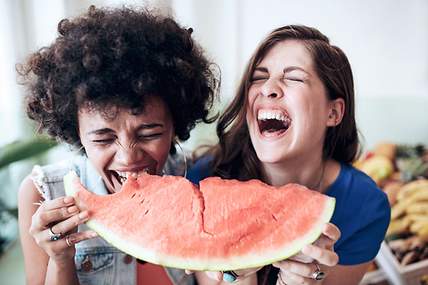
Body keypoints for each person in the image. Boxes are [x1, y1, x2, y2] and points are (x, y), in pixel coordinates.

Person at [17, 6, 219, 285]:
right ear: (76, 132)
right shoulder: (42, 192)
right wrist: (61, 259)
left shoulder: (196, 182)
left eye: (148, 133)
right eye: (103, 138)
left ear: (175, 124)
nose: (128, 157)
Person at [187, 25, 390, 285]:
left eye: (294, 78)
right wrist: (236, 275)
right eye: (259, 77)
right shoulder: (203, 184)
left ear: (333, 113)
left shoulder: (365, 206)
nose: (268, 88)